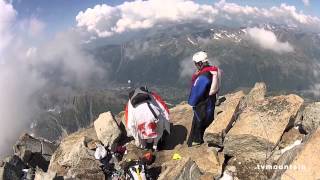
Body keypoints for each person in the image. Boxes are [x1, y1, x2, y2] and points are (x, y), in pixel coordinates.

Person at [187, 51, 221, 147]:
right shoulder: (213, 70)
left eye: (196, 63)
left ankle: (197, 139)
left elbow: (197, 92)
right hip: (211, 99)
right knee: (208, 116)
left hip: (202, 101)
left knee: (199, 119)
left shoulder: (203, 76)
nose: (195, 65)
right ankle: (206, 135)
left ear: (200, 63)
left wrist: (192, 102)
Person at [124, 87, 170, 151]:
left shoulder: (129, 103)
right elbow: (165, 110)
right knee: (158, 131)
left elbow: (129, 125)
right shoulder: (152, 95)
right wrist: (167, 127)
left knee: (143, 135)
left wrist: (138, 140)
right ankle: (155, 145)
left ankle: (146, 145)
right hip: (154, 117)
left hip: (138, 121)